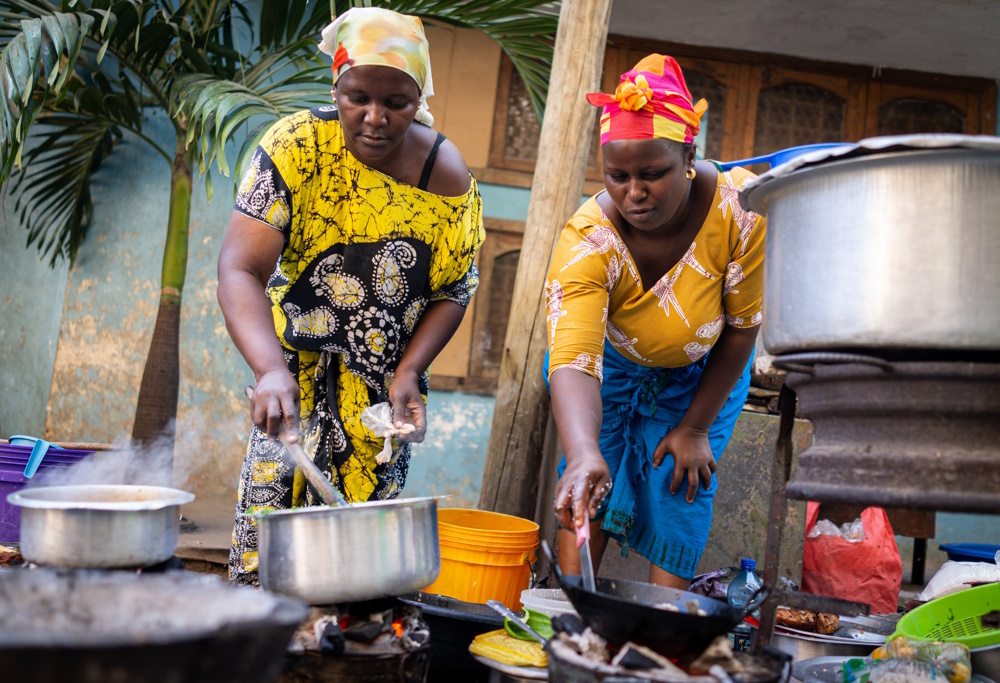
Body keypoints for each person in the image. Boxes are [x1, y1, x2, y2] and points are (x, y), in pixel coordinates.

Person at [217, 7, 484, 586]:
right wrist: (267, 370)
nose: (375, 118)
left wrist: (411, 371)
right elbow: (240, 267)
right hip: (290, 373)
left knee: (358, 561)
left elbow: (455, 288)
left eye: (397, 102)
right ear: (334, 88)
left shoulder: (445, 173)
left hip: (384, 391)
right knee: (267, 536)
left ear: (420, 101)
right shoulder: (296, 147)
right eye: (357, 96)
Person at [547, 54, 764, 588]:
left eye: (653, 174)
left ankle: (664, 628)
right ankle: (572, 618)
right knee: (589, 479)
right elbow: (574, 357)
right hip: (613, 367)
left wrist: (693, 427)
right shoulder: (587, 240)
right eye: (617, 176)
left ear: (689, 155)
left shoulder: (741, 211)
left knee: (680, 482)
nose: (634, 193)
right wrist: (581, 453)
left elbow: (742, 328)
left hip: (706, 371)